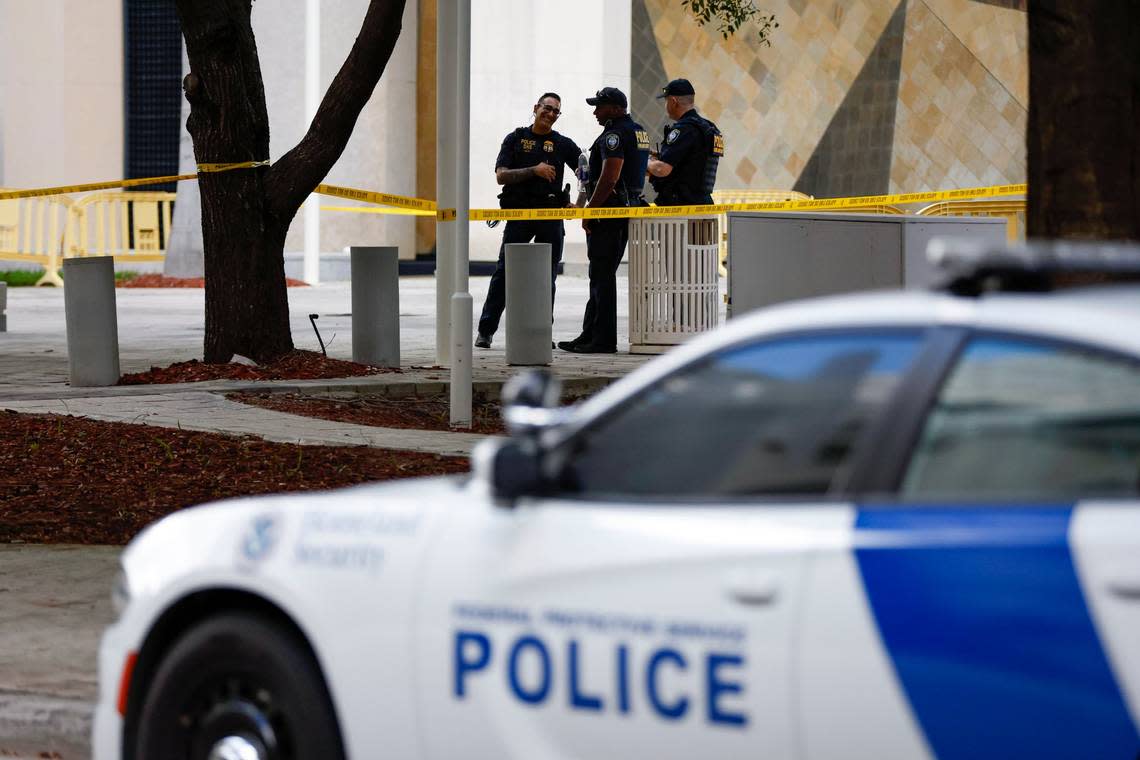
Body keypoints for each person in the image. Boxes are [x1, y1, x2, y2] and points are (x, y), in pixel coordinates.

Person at [475, 92, 583, 349]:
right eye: (547, 108)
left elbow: (585, 170)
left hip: (550, 217)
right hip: (519, 216)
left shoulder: (562, 143)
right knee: (504, 273)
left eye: (556, 111)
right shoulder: (515, 138)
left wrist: (579, 205)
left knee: (547, 277)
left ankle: (543, 333)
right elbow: (502, 176)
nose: (551, 114)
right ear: (536, 108)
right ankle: (485, 331)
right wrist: (534, 170)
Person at [558, 87, 650, 354]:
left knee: (601, 275)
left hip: (610, 212)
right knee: (600, 274)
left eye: (599, 106)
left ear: (615, 107)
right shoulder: (638, 130)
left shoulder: (614, 134)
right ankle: (590, 334)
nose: (595, 112)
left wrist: (591, 210)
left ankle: (602, 340)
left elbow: (610, 177)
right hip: (625, 208)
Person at [646, 78, 724, 206]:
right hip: (703, 204)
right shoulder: (709, 127)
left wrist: (644, 160)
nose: (665, 105)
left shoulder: (684, 129)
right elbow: (693, 162)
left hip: (680, 207)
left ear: (673, 101)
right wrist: (659, 156)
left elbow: (662, 169)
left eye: (666, 101)